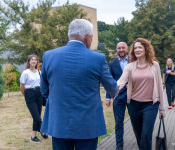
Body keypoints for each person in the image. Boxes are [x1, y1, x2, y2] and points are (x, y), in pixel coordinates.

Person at [40, 19, 118, 150]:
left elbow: (44, 89)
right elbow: (112, 88)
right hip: (87, 125)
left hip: (59, 122)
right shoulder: (97, 58)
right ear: (87, 37)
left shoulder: (49, 56)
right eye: (92, 37)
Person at [116, 38, 165, 150]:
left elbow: (159, 87)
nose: (137, 50)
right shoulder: (129, 67)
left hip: (151, 105)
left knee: (146, 135)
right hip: (134, 105)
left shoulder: (155, 65)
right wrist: (115, 88)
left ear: (146, 49)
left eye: (140, 47)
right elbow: (121, 81)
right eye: (135, 48)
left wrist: (162, 109)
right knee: (139, 137)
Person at [20, 55, 48, 143]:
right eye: (32, 59)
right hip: (30, 94)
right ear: (28, 62)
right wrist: (26, 96)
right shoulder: (25, 72)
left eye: (35, 59)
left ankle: (33, 136)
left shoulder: (39, 72)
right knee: (36, 117)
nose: (34, 61)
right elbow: (22, 86)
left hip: (39, 94)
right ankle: (43, 132)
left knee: (37, 115)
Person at [106, 42, 129, 150]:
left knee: (136, 121)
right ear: (116, 50)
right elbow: (109, 81)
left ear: (127, 49)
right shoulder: (112, 63)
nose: (121, 50)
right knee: (118, 122)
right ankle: (119, 146)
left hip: (132, 96)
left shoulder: (134, 61)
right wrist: (108, 97)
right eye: (119, 48)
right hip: (118, 97)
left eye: (123, 47)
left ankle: (141, 142)